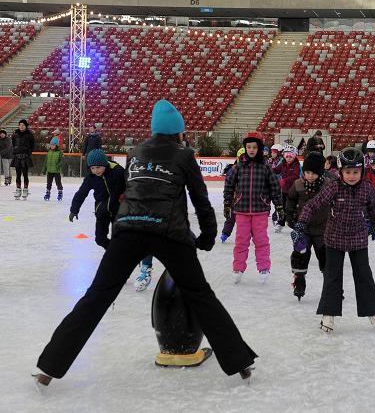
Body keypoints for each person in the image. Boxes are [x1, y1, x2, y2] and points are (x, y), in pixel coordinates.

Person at [33, 99, 257, 390]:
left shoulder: (135, 152)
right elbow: (201, 199)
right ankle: (240, 363)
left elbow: (127, 194)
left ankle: (48, 368)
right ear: (178, 131)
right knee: (201, 296)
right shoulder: (184, 154)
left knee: (97, 296)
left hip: (128, 230)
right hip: (169, 232)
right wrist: (207, 237)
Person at [292, 147, 375, 332]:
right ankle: (328, 314)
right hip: (334, 239)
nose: (351, 176)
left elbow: (374, 208)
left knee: (364, 275)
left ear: (362, 171)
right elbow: (312, 205)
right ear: (341, 171)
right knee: (332, 276)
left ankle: (372, 312)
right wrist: (301, 224)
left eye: (356, 172)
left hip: (358, 239)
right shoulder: (334, 187)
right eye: (348, 172)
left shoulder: (367, 188)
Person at [224, 131, 283, 284]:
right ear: (245, 148)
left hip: (260, 210)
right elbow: (229, 185)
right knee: (241, 240)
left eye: (254, 147)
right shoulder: (239, 166)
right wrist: (227, 204)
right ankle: (238, 267)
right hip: (242, 210)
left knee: (261, 240)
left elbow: (275, 187)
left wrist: (279, 206)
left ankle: (264, 267)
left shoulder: (265, 167)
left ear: (259, 149)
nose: (251, 150)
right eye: (248, 147)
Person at [285, 152, 330, 301]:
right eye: (307, 172)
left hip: (323, 229)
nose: (310, 176)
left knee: (326, 258)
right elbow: (290, 200)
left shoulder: (328, 186)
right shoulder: (298, 184)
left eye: (314, 173)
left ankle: (332, 286)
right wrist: (290, 215)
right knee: (300, 255)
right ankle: (299, 281)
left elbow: (336, 203)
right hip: (303, 229)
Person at [69, 149, 126, 249]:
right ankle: (113, 253)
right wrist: (74, 209)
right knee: (99, 239)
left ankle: (117, 256)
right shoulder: (91, 177)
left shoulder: (117, 171)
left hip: (119, 210)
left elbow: (129, 186)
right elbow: (81, 193)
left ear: (104, 164)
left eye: (98, 167)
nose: (96, 170)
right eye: (93, 168)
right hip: (102, 211)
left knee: (118, 239)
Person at [272, 144, 301, 232]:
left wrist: (284, 180)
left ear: (294, 156)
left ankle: (295, 224)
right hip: (284, 190)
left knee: (291, 208)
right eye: (287, 156)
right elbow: (276, 170)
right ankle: (281, 223)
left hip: (293, 190)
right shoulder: (283, 163)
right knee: (282, 207)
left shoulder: (296, 165)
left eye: (290, 157)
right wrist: (268, 169)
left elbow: (295, 176)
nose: (288, 158)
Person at [11, 119, 35, 200]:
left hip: (25, 157)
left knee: (25, 174)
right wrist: (15, 152)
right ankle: (18, 189)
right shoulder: (15, 134)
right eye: (20, 125)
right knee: (18, 174)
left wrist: (28, 153)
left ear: (26, 126)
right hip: (17, 157)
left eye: (23, 125)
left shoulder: (29, 134)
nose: (21, 126)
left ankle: (25, 189)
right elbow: (13, 144)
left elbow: (32, 146)